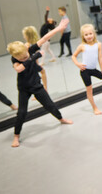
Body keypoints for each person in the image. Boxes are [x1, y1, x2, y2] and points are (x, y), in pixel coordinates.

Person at [7, 19, 73, 148]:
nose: (25, 58)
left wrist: (59, 28)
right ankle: (16, 136)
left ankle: (61, 119)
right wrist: (34, 57)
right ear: (16, 57)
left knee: (49, 105)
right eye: (22, 58)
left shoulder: (30, 50)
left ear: (26, 49)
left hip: (36, 85)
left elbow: (44, 38)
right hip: (24, 88)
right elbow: (19, 69)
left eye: (26, 55)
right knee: (22, 112)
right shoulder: (16, 58)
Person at [72, 24, 102, 115]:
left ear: (94, 34)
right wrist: (78, 64)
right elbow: (73, 56)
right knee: (89, 89)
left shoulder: (98, 44)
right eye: (86, 35)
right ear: (83, 36)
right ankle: (95, 108)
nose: (89, 36)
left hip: (93, 69)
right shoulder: (82, 46)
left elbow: (100, 58)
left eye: (90, 34)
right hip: (85, 70)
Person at [22, 26, 47, 91]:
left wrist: (37, 64)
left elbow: (35, 55)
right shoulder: (32, 44)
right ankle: (44, 89)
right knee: (40, 74)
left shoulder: (28, 44)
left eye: (24, 35)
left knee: (41, 73)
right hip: (31, 63)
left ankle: (44, 89)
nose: (23, 37)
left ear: (27, 36)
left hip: (32, 63)